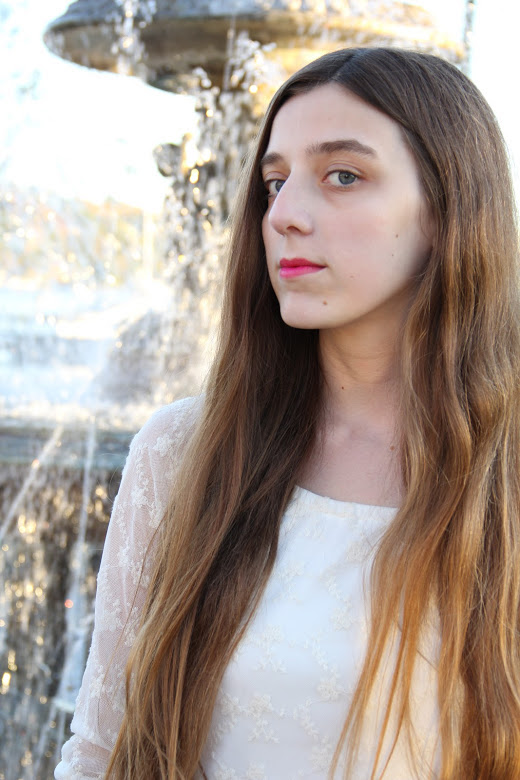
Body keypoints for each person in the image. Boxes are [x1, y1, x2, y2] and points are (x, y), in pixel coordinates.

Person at [55, 46, 520, 779]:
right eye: (275, 182)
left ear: (450, 206)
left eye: (343, 176)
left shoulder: (507, 472)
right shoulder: (184, 453)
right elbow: (102, 752)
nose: (287, 217)